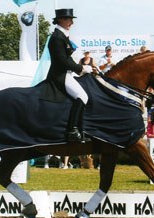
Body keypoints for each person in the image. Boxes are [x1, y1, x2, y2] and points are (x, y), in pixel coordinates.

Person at [40, 8, 93, 142]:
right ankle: (72, 130)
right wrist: (81, 68)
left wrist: (81, 69)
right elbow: (62, 61)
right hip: (60, 75)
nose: (72, 23)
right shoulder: (57, 37)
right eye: (69, 20)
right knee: (82, 96)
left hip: (68, 73)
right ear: (61, 20)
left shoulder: (63, 36)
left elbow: (68, 59)